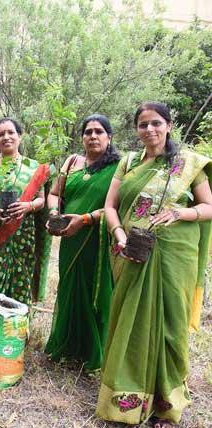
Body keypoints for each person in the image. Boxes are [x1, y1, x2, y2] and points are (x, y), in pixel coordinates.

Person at [96, 102, 212, 428]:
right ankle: (129, 400)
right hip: (131, 252)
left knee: (171, 327)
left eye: (156, 123)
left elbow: (208, 208)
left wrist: (180, 213)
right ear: (136, 129)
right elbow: (110, 207)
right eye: (143, 124)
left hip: (175, 256)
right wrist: (118, 233)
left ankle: (166, 404)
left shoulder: (188, 164)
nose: (150, 130)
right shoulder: (129, 163)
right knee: (129, 324)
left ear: (169, 125)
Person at [44, 114, 120, 371]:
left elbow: (117, 208)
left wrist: (86, 219)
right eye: (88, 132)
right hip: (69, 239)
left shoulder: (119, 168)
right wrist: (54, 214)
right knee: (69, 286)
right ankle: (68, 344)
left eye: (99, 131)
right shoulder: (72, 162)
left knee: (95, 290)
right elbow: (54, 194)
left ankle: (94, 350)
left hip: (97, 239)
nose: (93, 136)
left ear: (109, 137)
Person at [0, 118, 51, 306]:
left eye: (11, 132)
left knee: (22, 277)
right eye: (1, 134)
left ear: (20, 136)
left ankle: (18, 331)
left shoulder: (34, 167)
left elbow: (41, 200)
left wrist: (27, 206)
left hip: (23, 233)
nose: (6, 137)